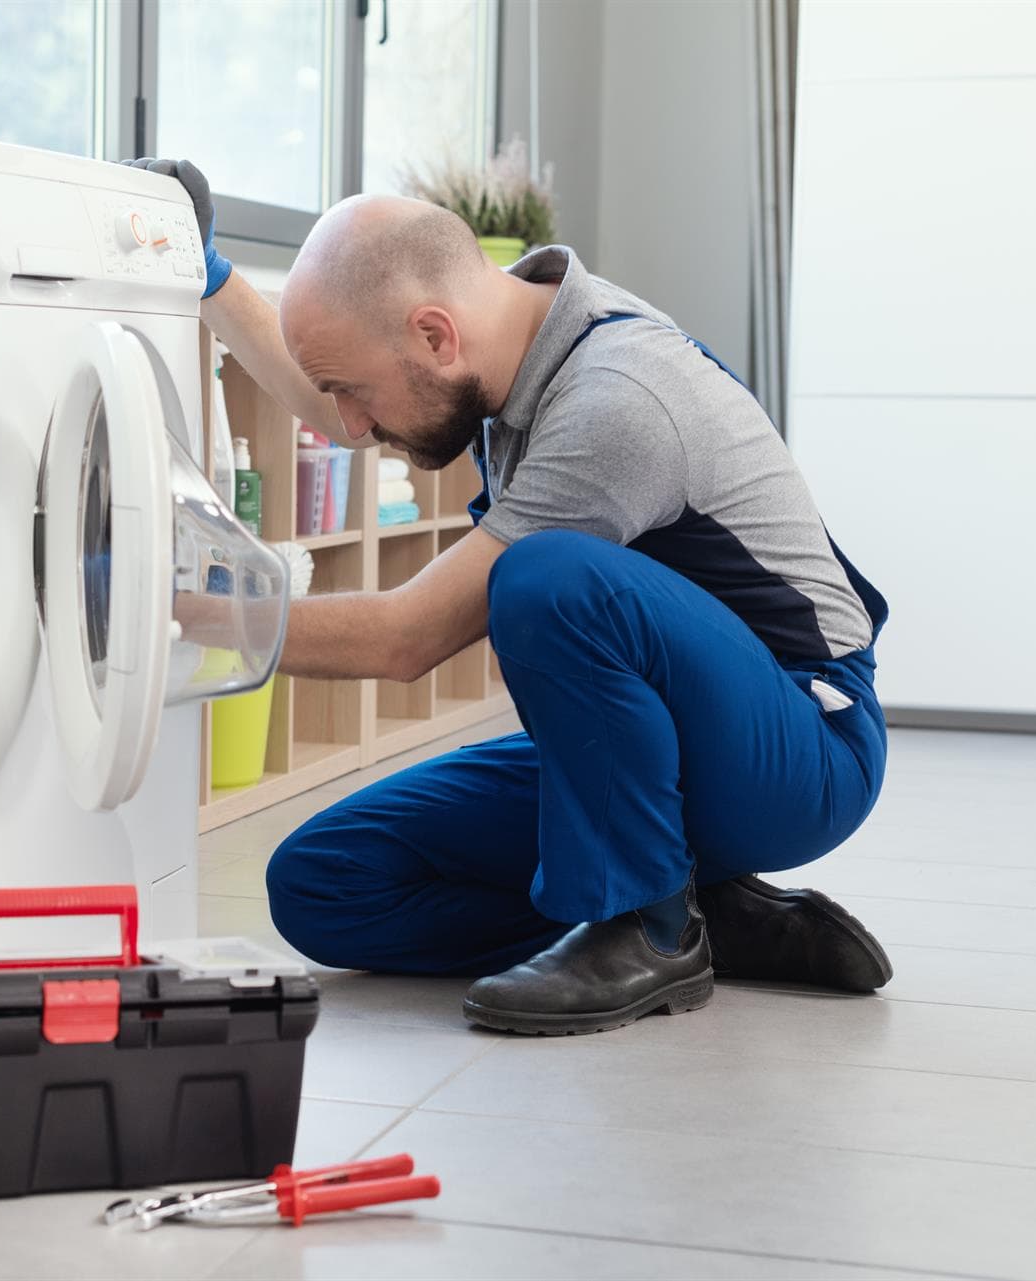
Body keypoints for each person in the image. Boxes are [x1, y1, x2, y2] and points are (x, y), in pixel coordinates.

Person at [127, 157, 894, 1037]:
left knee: (544, 579)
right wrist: (210, 273)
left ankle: (645, 924)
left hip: (803, 746)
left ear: (434, 336)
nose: (348, 425)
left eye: (354, 393)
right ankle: (702, 913)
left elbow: (403, 638)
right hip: (666, 755)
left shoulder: (615, 404)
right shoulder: (509, 343)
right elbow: (345, 381)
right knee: (324, 881)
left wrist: (177, 614)